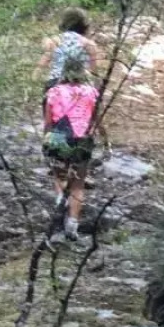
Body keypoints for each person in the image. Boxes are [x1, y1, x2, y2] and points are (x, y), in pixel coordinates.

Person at [42, 52, 100, 241]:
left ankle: (60, 204)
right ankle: (72, 226)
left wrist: (46, 140)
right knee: (78, 184)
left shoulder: (54, 92)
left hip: (59, 135)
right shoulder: (92, 92)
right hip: (82, 138)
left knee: (59, 176)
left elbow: (49, 122)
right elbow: (94, 118)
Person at [38, 7, 104, 95]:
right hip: (80, 84)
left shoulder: (53, 41)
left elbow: (41, 65)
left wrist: (33, 81)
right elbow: (94, 71)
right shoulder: (89, 44)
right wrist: (98, 89)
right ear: (83, 24)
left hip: (54, 83)